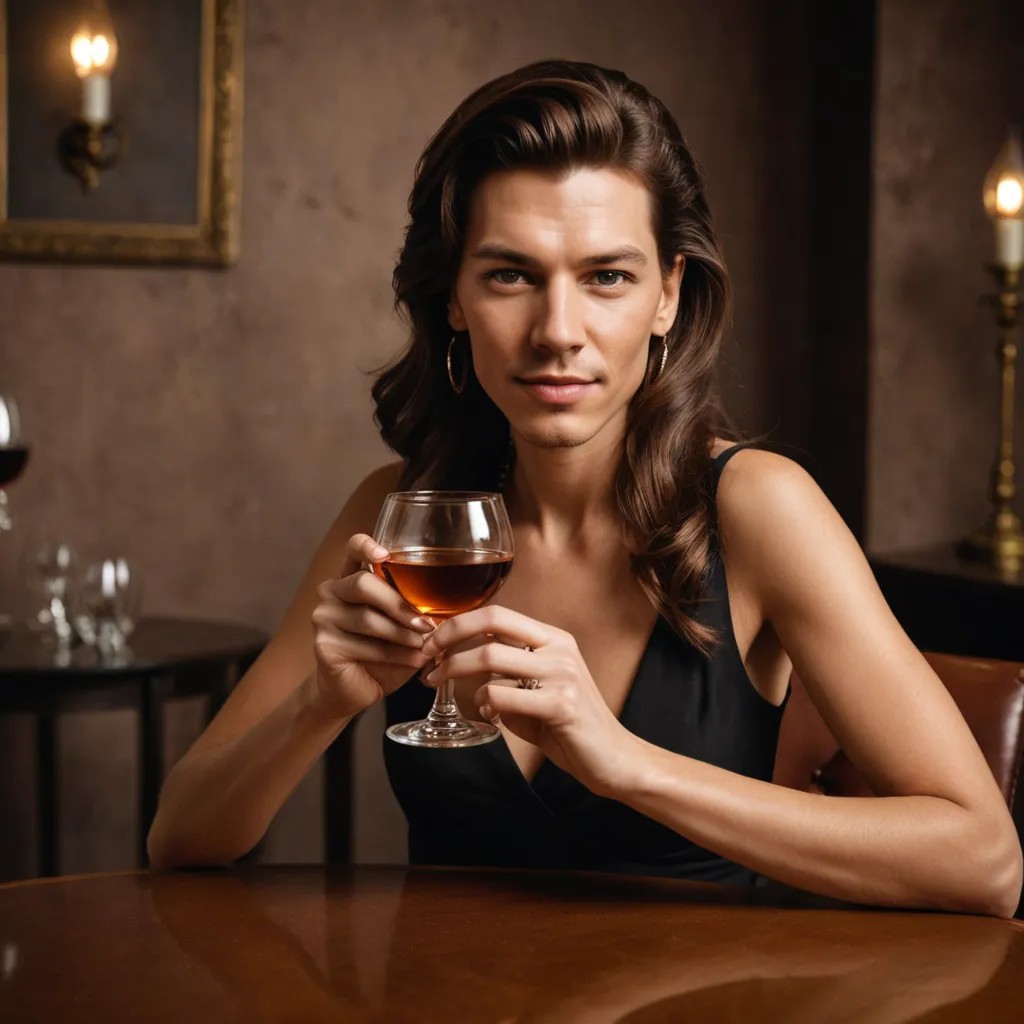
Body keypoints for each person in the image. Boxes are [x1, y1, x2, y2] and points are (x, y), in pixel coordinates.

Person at [147, 60, 1022, 916]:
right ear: (453, 298)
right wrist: (321, 702)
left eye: (607, 277)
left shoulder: (759, 506)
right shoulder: (403, 515)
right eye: (510, 275)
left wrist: (627, 764)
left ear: (668, 295)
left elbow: (985, 862)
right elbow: (179, 837)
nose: (558, 331)